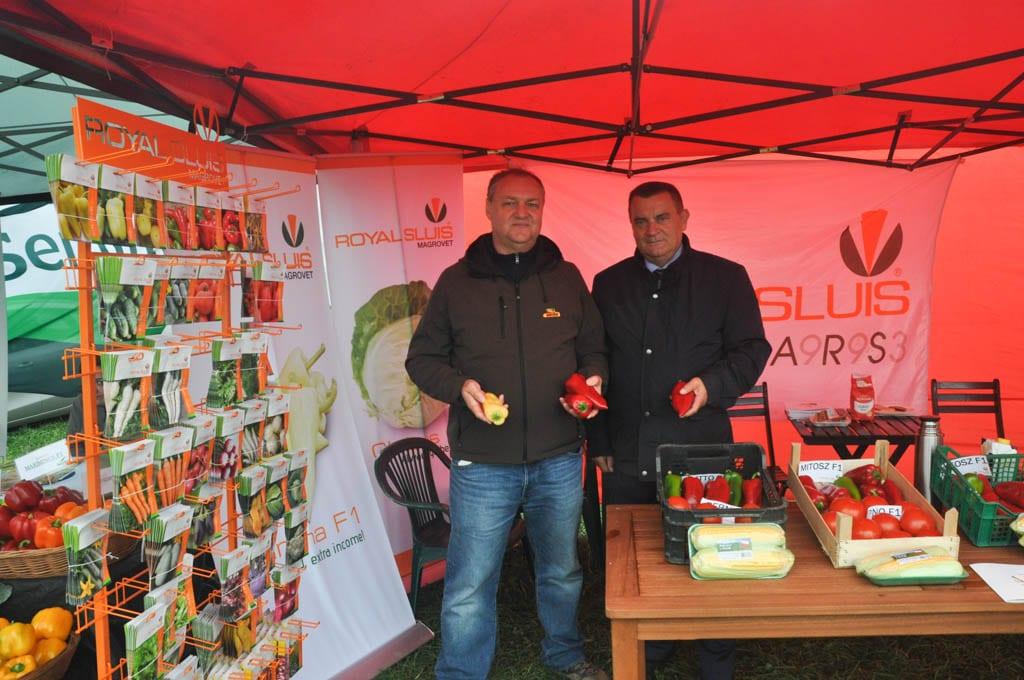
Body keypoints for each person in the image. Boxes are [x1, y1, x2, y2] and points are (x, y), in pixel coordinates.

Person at [406, 168, 609, 680]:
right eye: (511, 203)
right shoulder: (456, 283)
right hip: (482, 463)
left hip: (559, 457)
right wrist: (460, 387)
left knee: (561, 570)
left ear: (543, 210)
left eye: (532, 204)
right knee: (470, 582)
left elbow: (594, 349)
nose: (522, 213)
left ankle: (565, 654)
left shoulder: (566, 277)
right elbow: (422, 359)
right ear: (490, 208)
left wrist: (592, 382)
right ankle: (461, 672)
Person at [587, 180, 771, 679]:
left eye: (662, 217)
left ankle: (715, 652)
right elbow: (595, 361)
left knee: (711, 547)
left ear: (684, 218)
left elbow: (752, 349)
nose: (652, 229)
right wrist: (598, 439)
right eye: (641, 220)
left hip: (702, 449)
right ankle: (654, 642)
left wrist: (710, 386)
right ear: (630, 225)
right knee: (638, 556)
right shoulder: (608, 283)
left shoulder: (725, 278)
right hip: (627, 449)